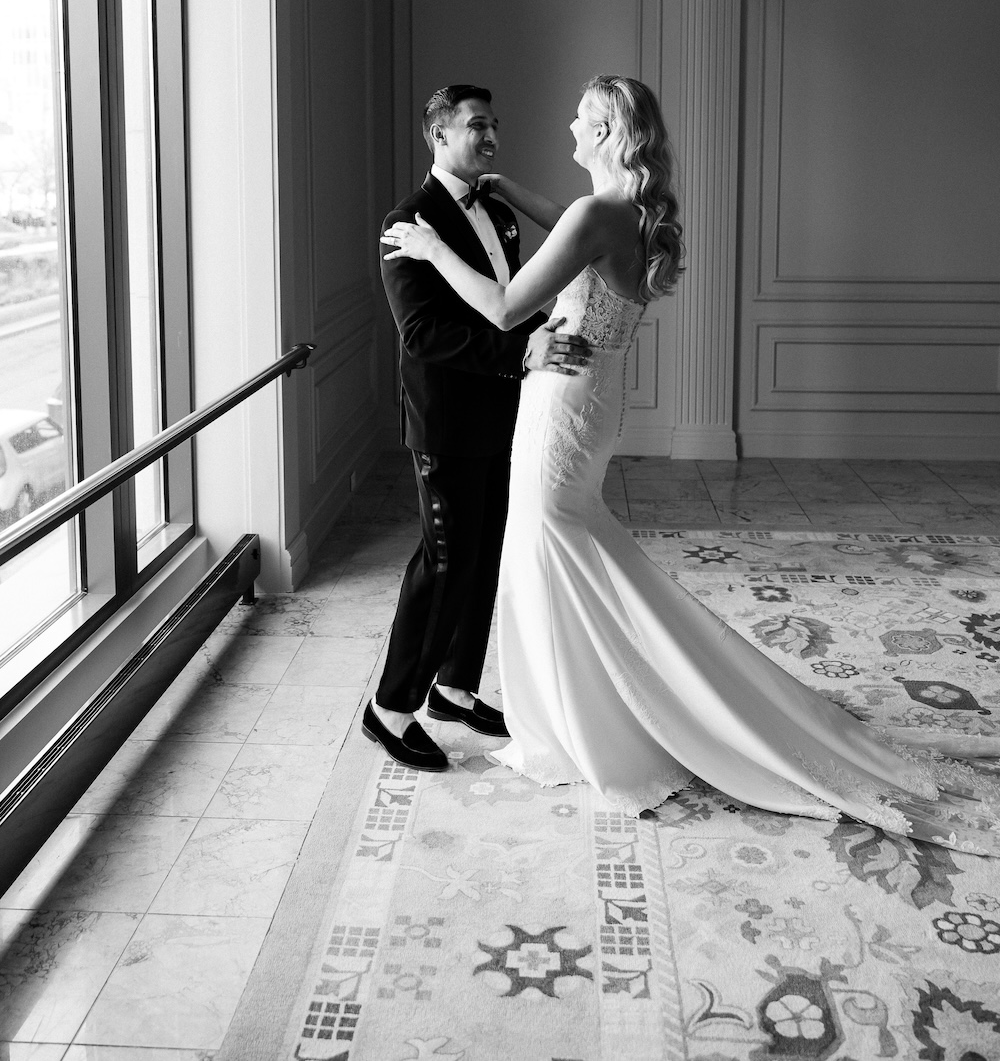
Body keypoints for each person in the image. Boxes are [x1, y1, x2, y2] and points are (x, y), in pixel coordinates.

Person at [381, 74, 1000, 853]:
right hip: (597, 399)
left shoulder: (590, 217)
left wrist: (434, 245)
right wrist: (509, 189)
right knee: (570, 542)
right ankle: (587, 702)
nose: (568, 123)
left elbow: (506, 312)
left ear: (606, 132)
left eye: (582, 116)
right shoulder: (635, 216)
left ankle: (600, 720)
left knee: (549, 547)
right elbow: (570, 226)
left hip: (559, 401)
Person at [365, 84, 591, 773]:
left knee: (485, 551)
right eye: (475, 126)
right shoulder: (405, 225)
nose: (490, 137)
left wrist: (541, 338)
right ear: (439, 134)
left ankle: (454, 689)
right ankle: (389, 708)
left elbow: (507, 299)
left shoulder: (497, 208)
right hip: (443, 421)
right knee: (442, 560)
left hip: (502, 413)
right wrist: (519, 353)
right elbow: (424, 333)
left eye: (494, 124)